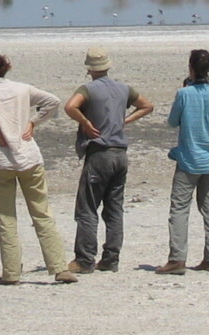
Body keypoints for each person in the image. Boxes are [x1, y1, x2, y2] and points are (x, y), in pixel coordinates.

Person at [0, 52, 79, 285]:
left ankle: (11, 272)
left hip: (1, 160)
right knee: (42, 212)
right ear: (8, 68)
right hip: (28, 156)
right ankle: (59, 267)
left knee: (6, 218)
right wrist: (33, 122)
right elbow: (53, 101)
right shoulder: (23, 89)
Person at [63, 46, 153, 273]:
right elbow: (147, 105)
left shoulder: (89, 88)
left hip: (100, 153)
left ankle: (84, 259)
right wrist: (126, 121)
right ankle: (111, 258)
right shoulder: (123, 88)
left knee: (88, 208)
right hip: (120, 154)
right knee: (114, 208)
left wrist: (85, 123)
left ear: (89, 69)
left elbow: (69, 106)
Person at [157, 48, 209, 275]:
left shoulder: (184, 94)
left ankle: (177, 258)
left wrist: (185, 90)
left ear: (191, 68)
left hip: (189, 160)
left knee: (179, 209)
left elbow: (172, 121)